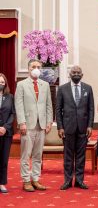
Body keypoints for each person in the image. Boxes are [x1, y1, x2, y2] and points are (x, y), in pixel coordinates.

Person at [15, 59, 53, 192]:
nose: (36, 68)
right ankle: (26, 180)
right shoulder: (21, 85)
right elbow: (18, 104)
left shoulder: (45, 85)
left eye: (38, 67)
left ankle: (35, 179)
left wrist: (49, 122)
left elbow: (49, 104)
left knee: (38, 155)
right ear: (28, 68)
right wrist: (21, 122)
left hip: (41, 125)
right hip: (27, 125)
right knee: (26, 155)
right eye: (33, 66)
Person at [56, 65, 94, 190]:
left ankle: (79, 180)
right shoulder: (62, 89)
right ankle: (67, 181)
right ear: (70, 74)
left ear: (82, 75)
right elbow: (58, 110)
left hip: (83, 128)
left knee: (81, 156)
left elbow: (91, 109)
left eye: (78, 72)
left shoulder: (88, 88)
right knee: (68, 156)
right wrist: (60, 127)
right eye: (74, 72)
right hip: (67, 128)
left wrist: (89, 125)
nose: (76, 74)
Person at [0, 73, 15, 193]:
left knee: (4, 159)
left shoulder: (10, 97)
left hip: (6, 132)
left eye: (2, 82)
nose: (0, 84)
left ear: (5, 84)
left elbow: (12, 114)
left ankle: (2, 183)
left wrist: (5, 127)